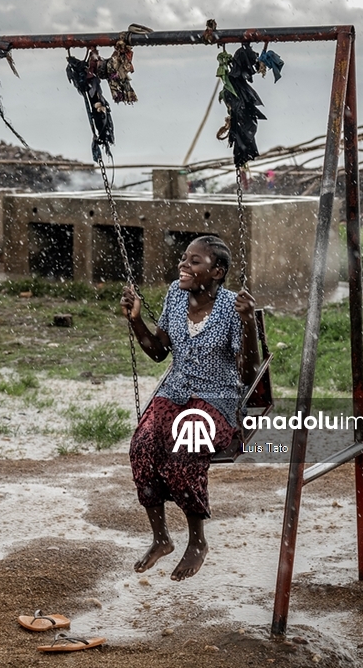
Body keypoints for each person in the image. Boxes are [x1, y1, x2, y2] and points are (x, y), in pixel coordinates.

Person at [121, 235, 260, 581]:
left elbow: (248, 374)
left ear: (217, 272)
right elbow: (158, 351)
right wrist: (136, 320)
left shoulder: (232, 308)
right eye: (184, 258)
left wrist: (248, 323)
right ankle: (161, 538)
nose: (183, 265)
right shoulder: (175, 295)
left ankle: (197, 541)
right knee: (142, 447)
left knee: (184, 451)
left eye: (194, 261)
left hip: (216, 398)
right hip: (176, 392)